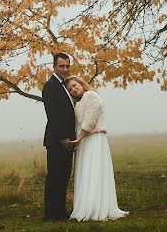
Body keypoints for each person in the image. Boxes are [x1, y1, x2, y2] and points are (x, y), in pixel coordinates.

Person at [64, 75, 128, 221]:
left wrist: (78, 139)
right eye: (70, 89)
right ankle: (87, 205)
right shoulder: (78, 102)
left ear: (81, 83)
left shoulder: (91, 95)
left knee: (94, 171)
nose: (73, 89)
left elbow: (90, 120)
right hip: (85, 140)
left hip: (94, 139)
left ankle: (97, 207)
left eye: (75, 85)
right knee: (86, 172)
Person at [41, 52, 76, 221]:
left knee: (63, 177)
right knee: (54, 177)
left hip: (68, 141)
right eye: (61, 66)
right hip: (57, 141)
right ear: (54, 67)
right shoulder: (50, 86)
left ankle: (60, 212)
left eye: (67, 66)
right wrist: (63, 138)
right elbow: (53, 115)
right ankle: (50, 214)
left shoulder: (66, 85)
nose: (65, 69)